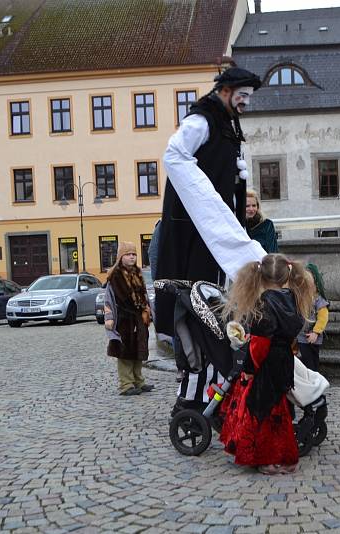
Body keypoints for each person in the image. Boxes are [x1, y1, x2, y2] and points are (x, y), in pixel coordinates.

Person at [159, 66, 266, 412]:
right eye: (243, 96)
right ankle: (194, 394)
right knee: (196, 307)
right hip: (195, 231)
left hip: (214, 233)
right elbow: (175, 155)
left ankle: (211, 388)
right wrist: (208, 205)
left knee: (212, 305)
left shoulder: (227, 124)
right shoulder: (201, 121)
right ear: (225, 90)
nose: (246, 103)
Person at [219, 254, 313, 474]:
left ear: (260, 277)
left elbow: (260, 345)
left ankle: (266, 458)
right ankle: (285, 456)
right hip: (283, 361)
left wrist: (250, 369)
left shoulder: (263, 304)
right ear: (287, 275)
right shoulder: (294, 298)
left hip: (266, 363)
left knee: (260, 410)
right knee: (280, 409)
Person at [104, 242, 153, 396]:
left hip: (139, 319)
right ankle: (126, 385)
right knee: (125, 353)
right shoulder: (115, 276)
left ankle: (139, 381)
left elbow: (144, 295)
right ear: (121, 257)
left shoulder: (138, 273)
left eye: (134, 254)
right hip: (124, 320)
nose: (132, 257)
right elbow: (108, 300)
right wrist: (109, 318)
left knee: (139, 351)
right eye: (128, 254)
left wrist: (148, 310)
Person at [295, 263, 329, 371]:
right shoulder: (299, 298)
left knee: (312, 361)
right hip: (300, 336)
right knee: (306, 361)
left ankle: (315, 381)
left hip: (313, 335)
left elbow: (323, 318)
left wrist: (316, 332)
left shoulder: (318, 299)